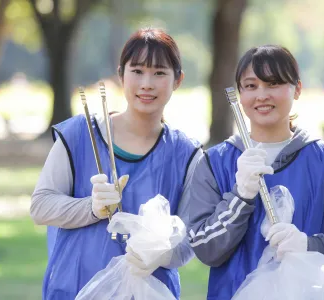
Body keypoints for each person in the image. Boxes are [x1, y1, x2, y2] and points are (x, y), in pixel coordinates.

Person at [187, 45, 324, 299]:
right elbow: (205, 248)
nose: (262, 95)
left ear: (297, 89)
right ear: (239, 93)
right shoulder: (214, 162)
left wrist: (310, 245)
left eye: (274, 83)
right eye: (251, 86)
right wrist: (240, 196)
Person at [30, 28, 203, 300]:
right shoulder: (79, 134)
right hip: (75, 288)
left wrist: (159, 252)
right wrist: (91, 207)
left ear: (178, 80)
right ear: (121, 74)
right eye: (137, 71)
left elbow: (188, 242)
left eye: (159, 73)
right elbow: (40, 206)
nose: (146, 83)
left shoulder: (188, 154)